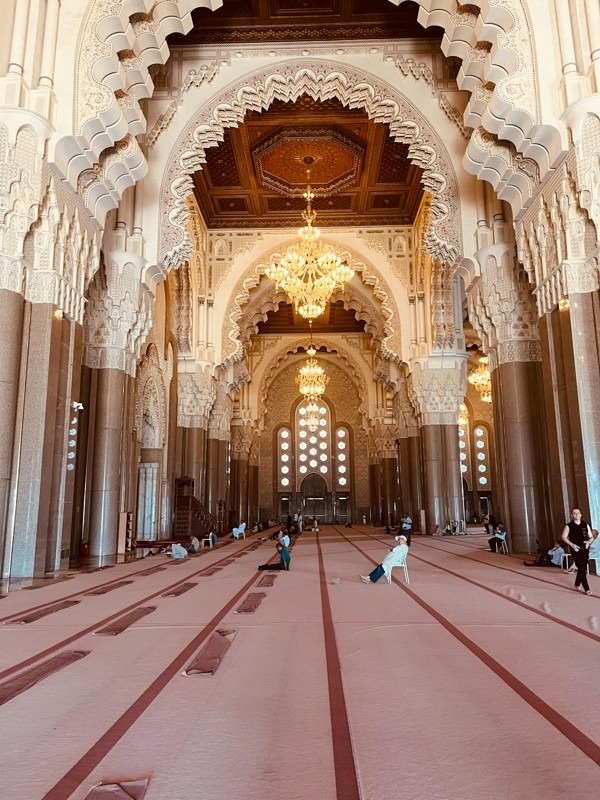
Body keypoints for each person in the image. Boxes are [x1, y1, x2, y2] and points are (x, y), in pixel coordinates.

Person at [561, 508, 593, 594]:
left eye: (578, 513)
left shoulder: (585, 525)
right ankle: (587, 589)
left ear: (581, 515)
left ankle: (577, 583)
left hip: (584, 548)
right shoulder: (569, 526)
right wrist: (571, 544)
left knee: (582, 567)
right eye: (574, 513)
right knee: (581, 567)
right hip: (575, 548)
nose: (576, 514)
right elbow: (563, 537)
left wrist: (589, 542)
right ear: (572, 515)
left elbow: (591, 537)